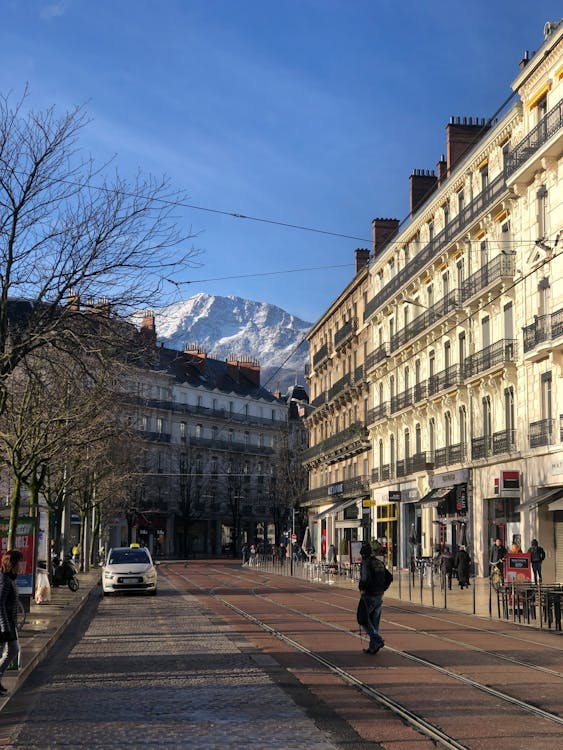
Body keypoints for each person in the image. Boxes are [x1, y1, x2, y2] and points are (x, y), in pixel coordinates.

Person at [357, 541, 391, 655]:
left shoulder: (366, 563)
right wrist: (383, 588)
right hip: (379, 595)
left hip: (369, 595)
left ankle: (377, 639)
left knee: (363, 619)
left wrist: (362, 588)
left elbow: (365, 578)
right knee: (374, 621)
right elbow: (389, 577)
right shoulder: (379, 562)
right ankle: (373, 647)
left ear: (363, 554)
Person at [0, 550, 23, 695]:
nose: (22, 564)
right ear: (12, 563)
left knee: (13, 650)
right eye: (20, 561)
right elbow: (0, 604)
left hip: (10, 623)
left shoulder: (11, 578)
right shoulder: (4, 579)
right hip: (3, 624)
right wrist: (4, 627)